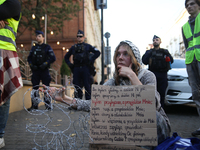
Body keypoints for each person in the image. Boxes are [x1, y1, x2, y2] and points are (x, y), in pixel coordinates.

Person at [43, 40, 171, 146]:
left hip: (155, 128)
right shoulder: (113, 81)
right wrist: (64, 99)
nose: (120, 57)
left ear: (134, 58)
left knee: (151, 114)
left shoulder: (147, 76)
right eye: (118, 54)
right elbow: (93, 104)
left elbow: (152, 105)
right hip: (129, 129)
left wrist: (132, 76)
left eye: (125, 54)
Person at [0, 0, 23, 148]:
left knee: (4, 96)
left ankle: (0, 135)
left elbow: (11, 8)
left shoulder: (13, 1)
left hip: (4, 50)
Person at [64, 29, 100, 100]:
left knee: (87, 86)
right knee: (77, 87)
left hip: (85, 68)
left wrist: (91, 60)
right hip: (76, 68)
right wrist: (70, 64)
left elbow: (97, 52)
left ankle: (88, 103)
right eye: (78, 36)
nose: (79, 38)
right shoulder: (73, 47)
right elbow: (66, 57)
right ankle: (77, 103)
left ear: (83, 37)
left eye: (80, 36)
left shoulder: (88, 46)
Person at [182, 0, 200, 136]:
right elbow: (187, 45)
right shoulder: (184, 27)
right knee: (197, 94)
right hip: (190, 61)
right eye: (187, 5)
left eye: (192, 4)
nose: (189, 7)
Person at [142, 35, 174, 109]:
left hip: (163, 75)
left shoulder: (165, 52)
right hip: (152, 74)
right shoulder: (149, 52)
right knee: (151, 93)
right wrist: (148, 53)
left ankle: (161, 110)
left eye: (157, 40)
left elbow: (171, 61)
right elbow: (144, 61)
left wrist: (167, 54)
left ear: (160, 41)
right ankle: (151, 109)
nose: (155, 41)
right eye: (154, 40)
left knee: (161, 94)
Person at [27, 30, 56, 111]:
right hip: (36, 71)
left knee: (46, 88)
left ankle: (48, 105)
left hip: (44, 70)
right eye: (36, 36)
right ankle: (34, 105)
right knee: (35, 88)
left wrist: (46, 63)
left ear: (43, 37)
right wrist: (31, 65)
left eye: (39, 36)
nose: (37, 38)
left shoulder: (47, 47)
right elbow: (29, 58)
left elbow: (53, 58)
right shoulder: (34, 48)